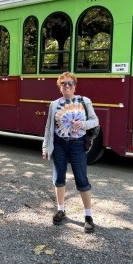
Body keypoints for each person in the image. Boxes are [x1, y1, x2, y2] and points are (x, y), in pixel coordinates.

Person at [42, 72, 99, 233]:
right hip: (59, 144)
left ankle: (88, 216)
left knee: (82, 179)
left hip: (77, 145)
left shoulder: (84, 101)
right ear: (59, 87)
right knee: (58, 179)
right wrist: (45, 147)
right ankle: (61, 209)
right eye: (63, 84)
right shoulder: (54, 104)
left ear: (75, 85)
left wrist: (82, 124)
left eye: (70, 83)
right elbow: (48, 128)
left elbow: (95, 121)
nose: (67, 86)